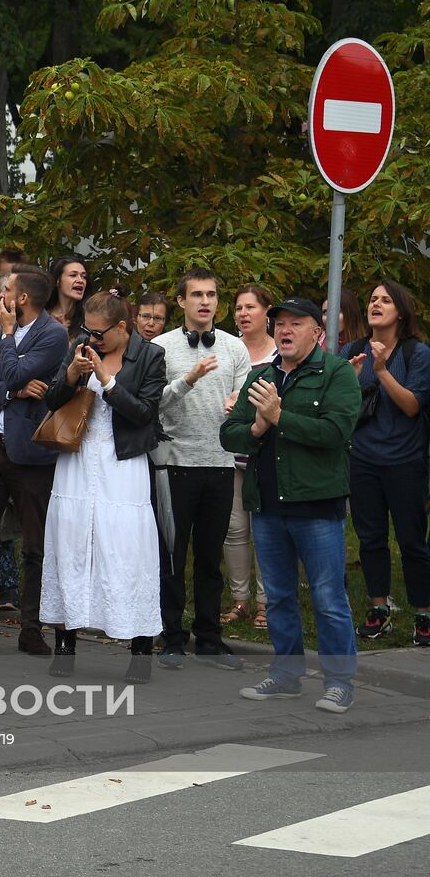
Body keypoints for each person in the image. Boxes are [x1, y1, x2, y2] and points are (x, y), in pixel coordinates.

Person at [224, 298, 360, 712]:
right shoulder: (261, 376)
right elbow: (230, 435)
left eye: (295, 324)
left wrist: (280, 418)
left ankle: (339, 683)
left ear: (317, 333)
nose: (284, 330)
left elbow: (336, 432)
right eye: (279, 323)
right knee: (279, 597)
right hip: (267, 506)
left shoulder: (336, 374)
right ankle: (285, 675)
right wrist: (260, 423)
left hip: (317, 506)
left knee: (328, 598)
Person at [40, 292, 166, 680]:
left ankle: (140, 651)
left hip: (122, 461)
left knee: (128, 551)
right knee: (71, 544)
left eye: (100, 333)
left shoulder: (150, 357)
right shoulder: (79, 348)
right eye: (87, 331)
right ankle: (65, 645)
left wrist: (108, 381)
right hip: (77, 461)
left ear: (123, 328)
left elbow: (144, 413)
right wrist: (73, 374)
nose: (92, 339)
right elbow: (52, 400)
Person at [152, 268, 251, 670]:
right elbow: (153, 404)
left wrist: (238, 403)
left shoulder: (234, 347)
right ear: (181, 302)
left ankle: (209, 637)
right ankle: (172, 637)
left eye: (211, 294)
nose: (205, 302)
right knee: (172, 554)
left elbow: (245, 394)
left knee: (211, 558)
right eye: (197, 295)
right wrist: (188, 381)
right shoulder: (160, 347)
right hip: (174, 463)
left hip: (221, 462)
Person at [0, 265, 70, 655]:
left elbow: (11, 372)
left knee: (34, 546)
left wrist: (9, 340)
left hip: (31, 455)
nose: (1, 294)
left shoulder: (53, 334)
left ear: (21, 298)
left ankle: (31, 628)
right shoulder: (0, 329)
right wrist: (11, 394)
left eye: (7, 289)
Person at [344, 282, 430, 646]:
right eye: (373, 299)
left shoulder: (417, 353)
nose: (376, 304)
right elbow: (343, 407)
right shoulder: (353, 349)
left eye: (385, 300)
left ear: (401, 311)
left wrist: (381, 371)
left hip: (405, 462)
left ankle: (424, 614)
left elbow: (412, 406)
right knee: (371, 539)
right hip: (362, 459)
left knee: (412, 541)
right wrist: (347, 379)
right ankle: (379, 610)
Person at [223, 285, 277, 628]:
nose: (243, 314)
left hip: (266, 454)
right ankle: (240, 600)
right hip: (231, 452)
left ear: (266, 312)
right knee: (234, 528)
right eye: (239, 308)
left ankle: (266, 603)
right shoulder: (228, 349)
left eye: (250, 307)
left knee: (265, 530)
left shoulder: (279, 354)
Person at [46, 256, 90, 338]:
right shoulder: (41, 315)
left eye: (84, 277)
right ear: (58, 281)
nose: (80, 280)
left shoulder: (89, 318)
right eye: (73, 275)